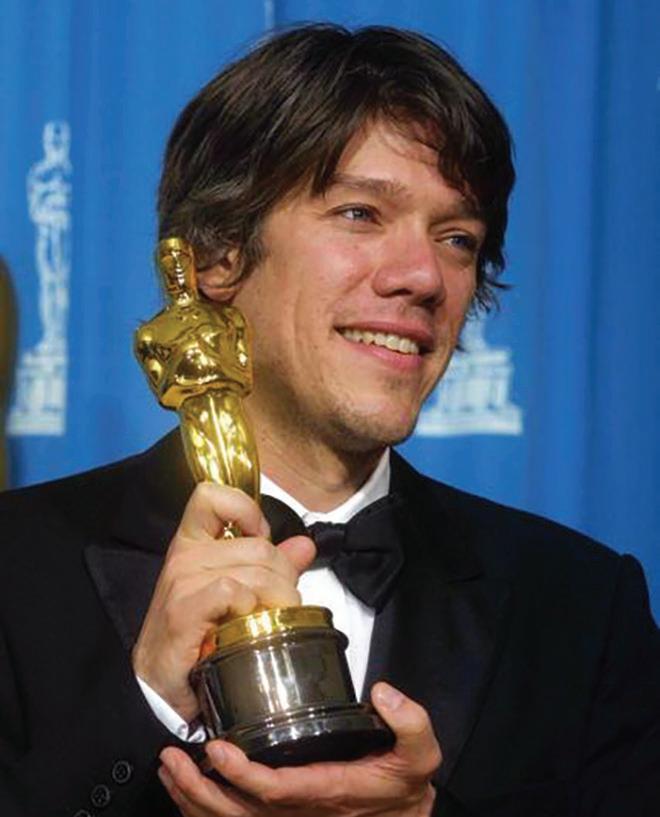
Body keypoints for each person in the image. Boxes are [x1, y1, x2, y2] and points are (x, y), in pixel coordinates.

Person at [1, 24, 659, 817]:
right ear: (217, 256)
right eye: (359, 213)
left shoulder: (580, 607)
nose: (423, 276)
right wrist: (147, 706)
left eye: (457, 238)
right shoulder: (16, 568)